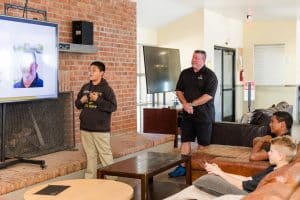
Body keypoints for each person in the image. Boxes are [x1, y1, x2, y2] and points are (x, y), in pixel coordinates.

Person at [169, 50, 218, 177]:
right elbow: (179, 90)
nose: (193, 60)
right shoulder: (185, 73)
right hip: (187, 115)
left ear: (203, 60)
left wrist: (191, 105)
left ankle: (200, 169)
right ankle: (182, 167)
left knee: (203, 145)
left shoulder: (210, 76)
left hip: (204, 116)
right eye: (193, 57)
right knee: (185, 141)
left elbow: (208, 96)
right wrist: (185, 104)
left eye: (196, 58)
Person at [194, 135, 297, 195]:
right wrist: (220, 172)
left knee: (208, 180)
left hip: (248, 195)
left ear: (280, 156)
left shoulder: (275, 176)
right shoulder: (274, 168)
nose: (268, 153)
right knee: (213, 176)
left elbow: (242, 185)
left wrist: (220, 173)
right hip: (248, 189)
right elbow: (247, 179)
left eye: (271, 151)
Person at [75, 61, 117, 179]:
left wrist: (97, 100)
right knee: (90, 155)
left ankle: (113, 181)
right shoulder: (85, 87)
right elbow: (77, 104)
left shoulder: (107, 89)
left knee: (105, 155)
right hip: (85, 128)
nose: (90, 72)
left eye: (94, 70)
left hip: (100, 129)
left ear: (102, 73)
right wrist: (81, 101)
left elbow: (113, 107)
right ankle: (90, 180)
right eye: (90, 70)